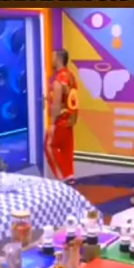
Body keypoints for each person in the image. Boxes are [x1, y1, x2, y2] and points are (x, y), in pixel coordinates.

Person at [45, 49, 79, 182]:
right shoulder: (71, 76)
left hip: (60, 121)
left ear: (58, 59)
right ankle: (69, 175)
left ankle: (62, 177)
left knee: (49, 146)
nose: (51, 60)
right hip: (70, 120)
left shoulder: (58, 80)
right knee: (66, 149)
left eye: (53, 57)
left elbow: (57, 104)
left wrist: (52, 124)